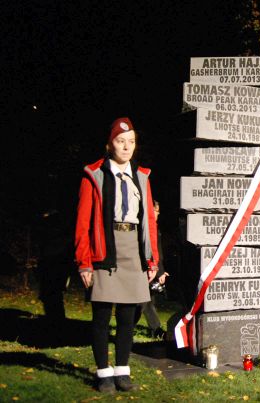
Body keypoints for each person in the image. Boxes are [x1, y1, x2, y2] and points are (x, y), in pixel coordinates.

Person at [75, 117, 159, 393]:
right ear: (109, 144)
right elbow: (83, 222)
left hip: (132, 248)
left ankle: (122, 372)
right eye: (121, 141)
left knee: (127, 317)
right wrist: (84, 262)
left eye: (131, 142)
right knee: (101, 316)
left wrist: (152, 258)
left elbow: (149, 221)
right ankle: (103, 374)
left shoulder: (142, 176)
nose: (126, 147)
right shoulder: (94, 174)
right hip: (105, 249)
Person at [134, 200, 168, 339]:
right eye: (156, 211)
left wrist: (161, 269)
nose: (158, 214)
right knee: (143, 300)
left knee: (148, 300)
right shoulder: (146, 227)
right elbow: (151, 250)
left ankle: (155, 329)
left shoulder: (153, 227)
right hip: (145, 267)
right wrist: (158, 270)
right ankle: (128, 327)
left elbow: (158, 251)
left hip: (152, 267)